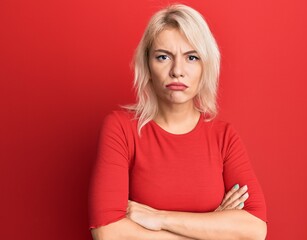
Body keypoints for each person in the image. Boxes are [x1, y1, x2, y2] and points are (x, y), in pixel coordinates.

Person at [89, 4, 267, 240]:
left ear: (206, 67)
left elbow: (254, 229)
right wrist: (212, 229)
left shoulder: (223, 136)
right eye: (163, 57)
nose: (177, 71)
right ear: (148, 66)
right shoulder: (121, 128)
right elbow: (108, 233)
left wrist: (159, 218)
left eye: (192, 57)